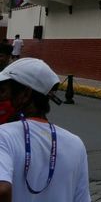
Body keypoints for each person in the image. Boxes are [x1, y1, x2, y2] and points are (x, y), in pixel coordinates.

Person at [0, 57, 91, 201]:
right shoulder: (76, 143)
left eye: (3, 91)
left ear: (25, 94)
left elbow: (2, 190)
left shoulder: (3, 135)